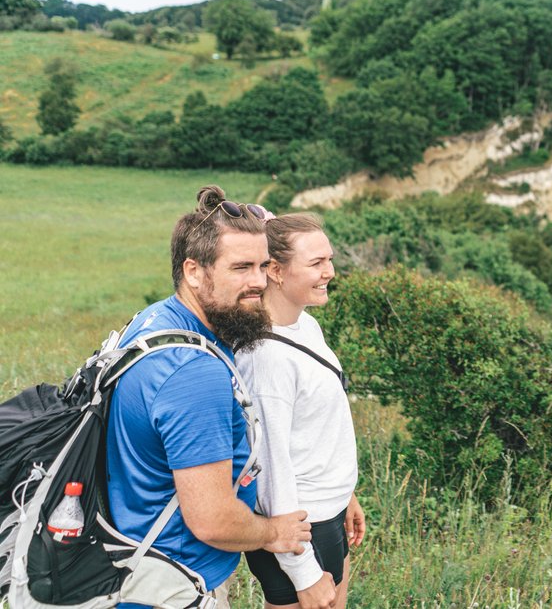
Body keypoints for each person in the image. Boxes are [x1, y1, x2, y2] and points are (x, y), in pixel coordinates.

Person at [106, 185, 312, 609]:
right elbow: (213, 520)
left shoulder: (155, 321)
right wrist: (275, 532)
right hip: (171, 584)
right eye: (240, 267)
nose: (258, 282)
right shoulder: (192, 373)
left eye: (263, 266)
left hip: (135, 563)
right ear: (194, 271)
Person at [237, 213, 365, 609]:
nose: (329, 272)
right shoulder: (266, 359)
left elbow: (316, 430)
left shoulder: (304, 326)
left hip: (326, 512)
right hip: (300, 529)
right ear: (274, 270)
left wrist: (346, 494)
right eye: (316, 263)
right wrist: (304, 574)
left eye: (329, 260)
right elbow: (271, 472)